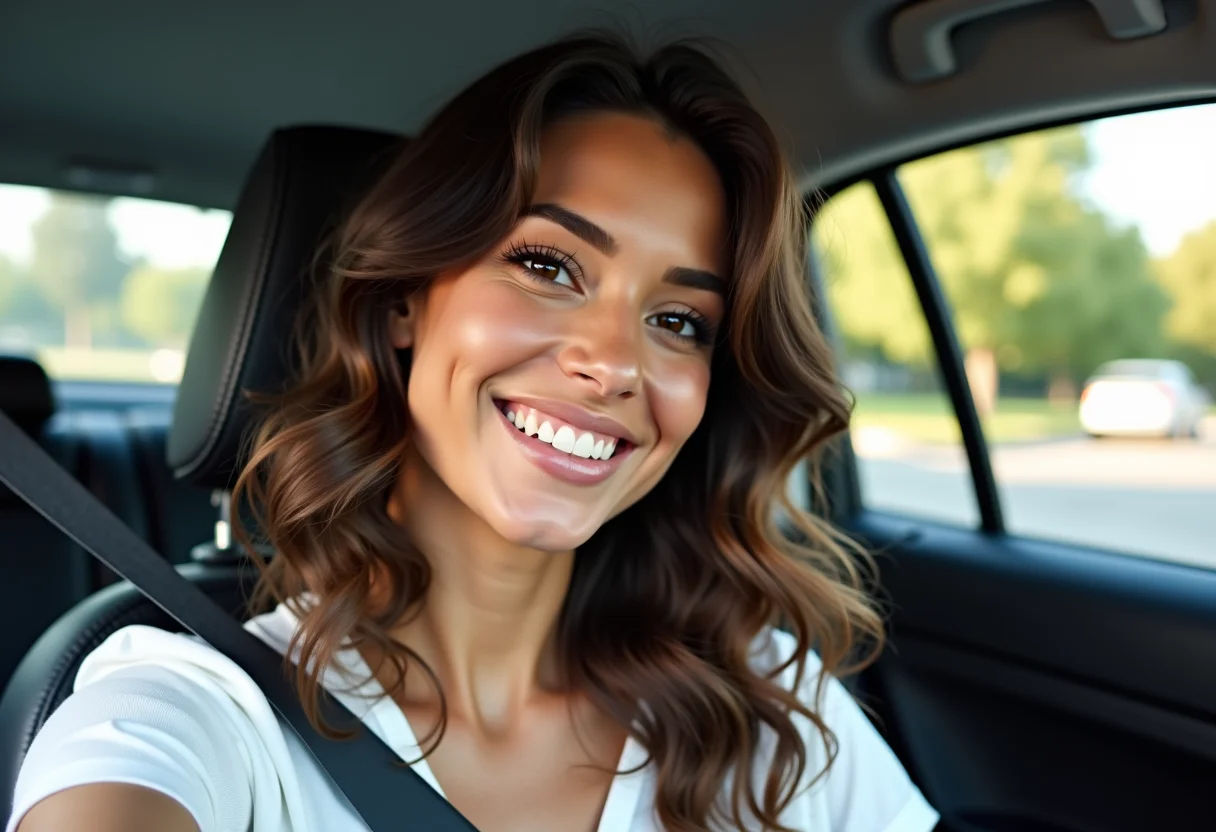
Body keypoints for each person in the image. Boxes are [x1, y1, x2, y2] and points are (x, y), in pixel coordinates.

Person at [9, 32, 939, 832]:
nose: (613, 362)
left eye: (678, 320)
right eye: (548, 266)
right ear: (406, 299)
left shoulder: (767, 701)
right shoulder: (193, 711)